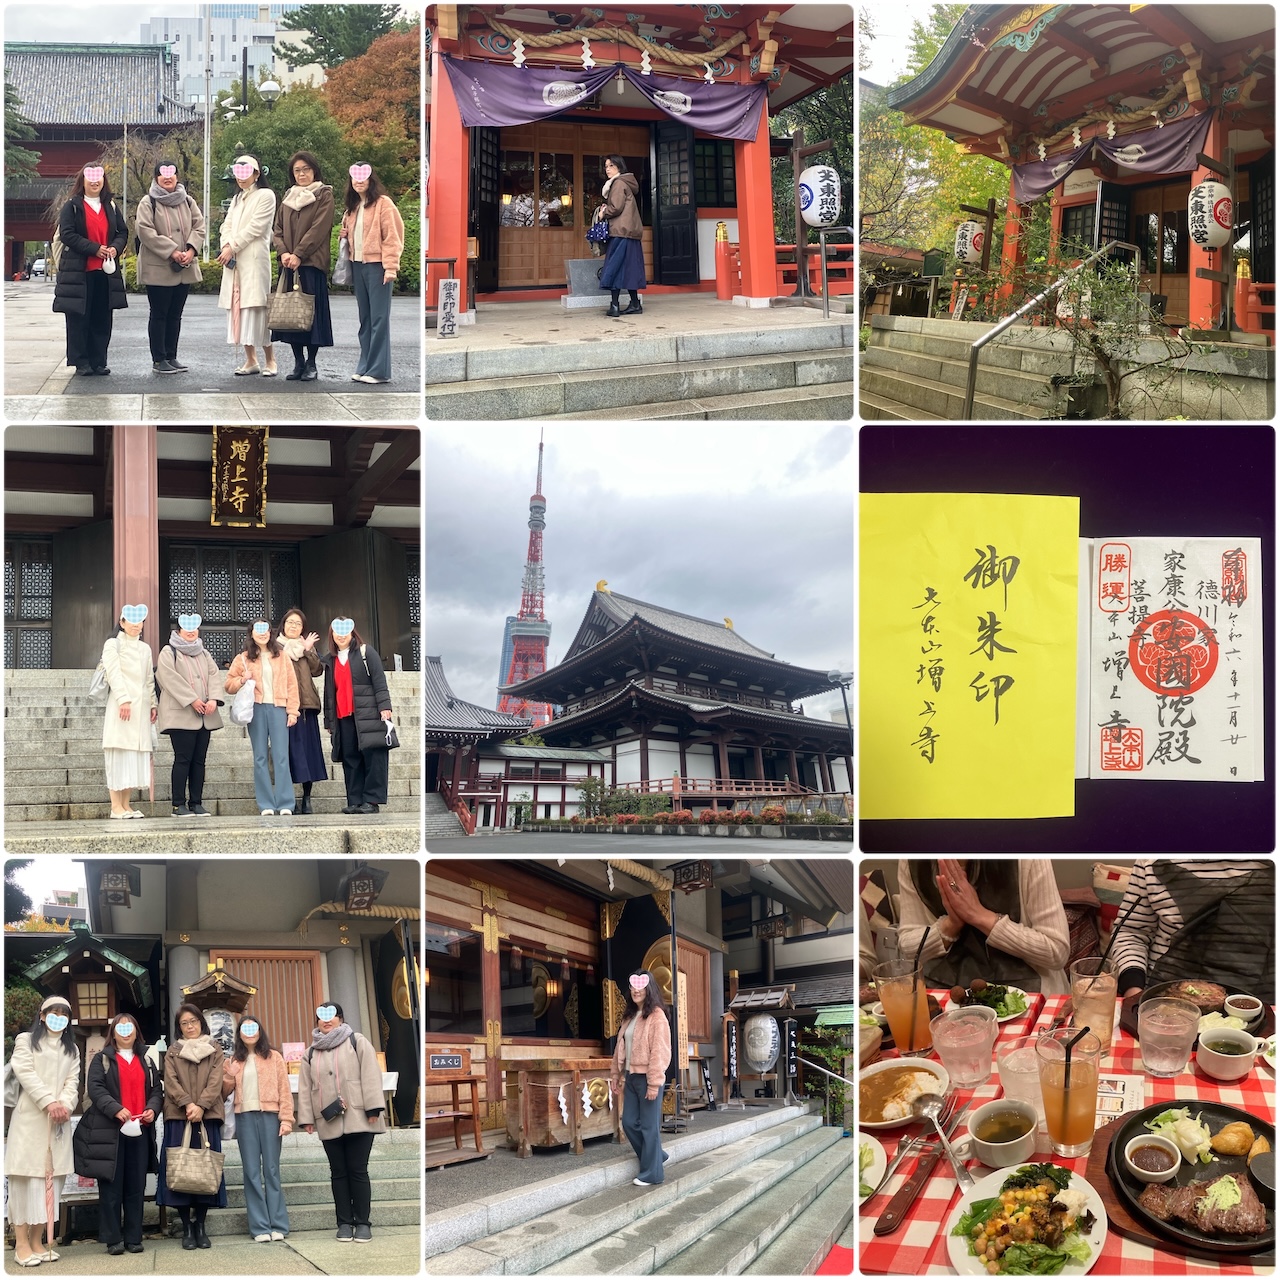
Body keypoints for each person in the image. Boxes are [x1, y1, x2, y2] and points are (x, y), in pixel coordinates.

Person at [1110, 859, 1275, 1002]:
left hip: (1258, 1002)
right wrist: (1134, 993)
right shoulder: (1151, 861)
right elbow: (1131, 933)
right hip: (1162, 997)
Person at [896, 859, 1071, 993]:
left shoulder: (1027, 857)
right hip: (944, 993)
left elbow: (1056, 950)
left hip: (1030, 991)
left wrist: (980, 916)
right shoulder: (912, 861)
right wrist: (950, 925)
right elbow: (909, 949)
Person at [72, 1012, 162, 1256]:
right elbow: (96, 1089)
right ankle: (113, 1238)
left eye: (129, 1027)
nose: (125, 1032)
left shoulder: (147, 1060)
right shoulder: (102, 1059)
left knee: (136, 1185)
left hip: (140, 1130)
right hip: (111, 1130)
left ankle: (134, 1237)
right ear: (113, 1032)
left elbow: (156, 1090)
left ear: (136, 1031)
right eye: (120, 1028)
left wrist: (152, 1109)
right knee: (111, 1186)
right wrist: (116, 1109)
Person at [297, 1001, 386, 1243]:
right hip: (328, 1120)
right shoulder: (310, 1053)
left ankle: (363, 1223)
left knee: (358, 1171)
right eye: (321, 1017)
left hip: (360, 1115)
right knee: (338, 1172)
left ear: (341, 1018)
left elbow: (370, 1074)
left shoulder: (357, 1041)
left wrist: (374, 1108)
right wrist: (306, 1118)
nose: (326, 1021)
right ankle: (344, 1223)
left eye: (331, 1016)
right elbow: (306, 1088)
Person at [6, 997, 81, 1265]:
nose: (58, 1017)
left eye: (64, 1013)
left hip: (57, 1123)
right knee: (27, 1182)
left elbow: (73, 1081)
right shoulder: (26, 1040)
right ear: (42, 1015)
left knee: (50, 1182)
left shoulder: (72, 1048)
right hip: (30, 1121)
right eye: (53, 1012)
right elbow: (24, 1071)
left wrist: (65, 1105)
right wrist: (49, 1102)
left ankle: (38, 1242)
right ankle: (22, 1244)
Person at [158, 1003, 226, 1249]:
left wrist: (202, 1105)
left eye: (193, 1021)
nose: (189, 1027)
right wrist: (187, 1104)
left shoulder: (215, 1048)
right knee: (180, 1169)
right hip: (179, 1115)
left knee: (205, 1170)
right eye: (184, 1023)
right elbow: (170, 1080)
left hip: (207, 1116)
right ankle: (187, 1227)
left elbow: (216, 1080)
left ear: (201, 1022)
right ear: (179, 1027)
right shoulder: (173, 1051)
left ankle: (201, 1225)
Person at [222, 1015, 293, 1243]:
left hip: (271, 1117)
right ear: (239, 1034)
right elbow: (224, 1094)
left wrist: (286, 1119)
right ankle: (260, 1227)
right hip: (244, 1117)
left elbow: (285, 1089)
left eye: (253, 1028)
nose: (250, 1032)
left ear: (260, 1031)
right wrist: (228, 1076)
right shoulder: (234, 1059)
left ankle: (278, 1224)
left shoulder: (274, 1057)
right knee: (251, 1172)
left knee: (271, 1170)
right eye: (245, 1028)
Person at [53, 164, 128, 375]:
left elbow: (122, 232)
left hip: (105, 271)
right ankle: (81, 362)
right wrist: (95, 249)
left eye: (99, 178)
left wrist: (115, 247)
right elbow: (68, 234)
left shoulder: (110, 206)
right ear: (82, 181)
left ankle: (99, 360)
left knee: (102, 317)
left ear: (103, 180)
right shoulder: (72, 206)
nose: (95, 182)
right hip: (80, 271)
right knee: (79, 318)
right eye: (90, 178)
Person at [135, 160, 205, 374]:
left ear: (177, 177)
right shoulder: (148, 202)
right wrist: (173, 251)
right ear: (156, 178)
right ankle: (159, 359)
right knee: (159, 313)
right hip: (158, 267)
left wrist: (191, 250)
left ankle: (171, 356)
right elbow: (145, 231)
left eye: (172, 174)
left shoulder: (188, 201)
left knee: (176, 314)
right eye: (163, 174)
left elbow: (199, 226)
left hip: (184, 266)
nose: (168, 178)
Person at [224, 620, 300, 816]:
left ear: (270, 633)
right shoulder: (243, 658)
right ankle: (266, 803)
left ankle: (285, 803)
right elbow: (228, 684)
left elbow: (292, 684)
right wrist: (242, 679)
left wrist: (293, 711)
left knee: (281, 756)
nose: (262, 634)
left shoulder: (282, 656)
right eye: (258, 630)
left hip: (278, 708)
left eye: (265, 630)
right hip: (256, 709)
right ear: (252, 634)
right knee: (260, 756)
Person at [321, 617, 394, 815]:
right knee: (350, 758)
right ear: (332, 635)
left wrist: (385, 707)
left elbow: (379, 680)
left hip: (368, 713)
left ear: (352, 632)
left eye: (345, 631)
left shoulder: (365, 652)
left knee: (373, 756)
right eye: (337, 632)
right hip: (343, 716)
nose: (341, 635)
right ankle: (354, 800)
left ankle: (371, 800)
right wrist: (329, 720)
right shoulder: (330, 660)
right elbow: (329, 692)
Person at [272, 150, 335, 381]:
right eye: (297, 170)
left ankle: (311, 363)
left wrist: (299, 253)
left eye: (306, 169)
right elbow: (277, 229)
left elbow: (318, 229)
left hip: (311, 263)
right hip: (289, 263)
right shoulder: (288, 196)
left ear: (314, 170)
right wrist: (285, 253)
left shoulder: (323, 194)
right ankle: (298, 362)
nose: (301, 174)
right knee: (290, 316)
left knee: (311, 315)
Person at [339, 163, 404, 384]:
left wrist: (391, 267)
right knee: (365, 319)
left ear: (370, 179)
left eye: (363, 177)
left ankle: (378, 370)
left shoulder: (384, 204)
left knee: (379, 319)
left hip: (377, 266)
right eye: (354, 178)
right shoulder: (353, 207)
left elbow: (393, 237)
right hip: (358, 265)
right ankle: (365, 365)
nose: (358, 181)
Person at [155, 612, 223, 818]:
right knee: (183, 759)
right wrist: (192, 699)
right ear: (179, 630)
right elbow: (168, 677)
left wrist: (213, 699)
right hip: (181, 714)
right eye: (187, 628)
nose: (191, 632)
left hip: (205, 716)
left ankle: (196, 802)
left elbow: (214, 675)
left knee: (199, 760)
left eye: (194, 628)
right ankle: (178, 804)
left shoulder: (204, 653)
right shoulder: (168, 652)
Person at [217, 154, 277, 376]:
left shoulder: (266, 196)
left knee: (257, 308)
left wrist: (231, 246)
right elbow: (227, 224)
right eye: (238, 174)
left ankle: (271, 360)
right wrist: (226, 245)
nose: (241, 179)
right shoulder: (237, 199)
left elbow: (256, 227)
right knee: (239, 307)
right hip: (235, 260)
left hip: (253, 260)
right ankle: (251, 359)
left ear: (256, 174)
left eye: (246, 173)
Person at [610, 972, 671, 1187]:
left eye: (641, 986)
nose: (636, 990)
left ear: (649, 989)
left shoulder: (656, 1016)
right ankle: (657, 1157)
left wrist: (654, 1082)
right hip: (631, 1077)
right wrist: (616, 1075)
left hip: (648, 1077)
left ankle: (652, 1174)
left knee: (649, 1126)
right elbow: (620, 1049)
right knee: (628, 1123)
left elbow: (660, 1051)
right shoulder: (628, 1017)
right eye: (633, 986)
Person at [100, 604, 157, 819]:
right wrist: (123, 699)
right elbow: (113, 673)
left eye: (139, 621)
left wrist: (153, 704)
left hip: (140, 708)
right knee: (119, 752)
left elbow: (149, 679)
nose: (136, 625)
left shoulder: (145, 649)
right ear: (122, 623)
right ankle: (116, 806)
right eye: (131, 621)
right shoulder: (112, 644)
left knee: (133, 755)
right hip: (121, 706)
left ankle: (126, 804)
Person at [279, 607, 327, 814]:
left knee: (308, 752)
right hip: (284, 706)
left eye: (298, 623)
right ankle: (289, 798)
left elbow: (317, 670)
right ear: (283, 625)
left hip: (306, 707)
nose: (293, 626)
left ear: (303, 628)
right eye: (290, 622)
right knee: (288, 753)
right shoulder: (275, 646)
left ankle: (307, 797)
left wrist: (307, 650)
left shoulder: (306, 646)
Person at [594, 155, 645, 319]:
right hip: (632, 232)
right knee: (630, 268)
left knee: (614, 267)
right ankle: (635, 303)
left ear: (619, 167)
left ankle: (614, 305)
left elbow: (616, 207)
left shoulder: (618, 183)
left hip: (620, 232)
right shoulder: (627, 183)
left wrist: (603, 212)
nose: (607, 169)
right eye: (606, 166)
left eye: (611, 165)